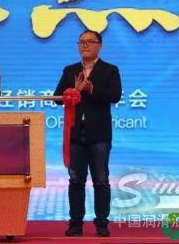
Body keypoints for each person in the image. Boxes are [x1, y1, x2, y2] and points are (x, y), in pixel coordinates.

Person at [54, 30, 121, 237]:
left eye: (90, 42)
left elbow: (115, 96)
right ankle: (75, 224)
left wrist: (92, 90)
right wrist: (73, 91)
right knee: (76, 180)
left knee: (101, 180)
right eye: (82, 42)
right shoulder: (70, 70)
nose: (85, 45)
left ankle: (102, 224)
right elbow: (57, 98)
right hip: (75, 134)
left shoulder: (110, 70)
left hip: (99, 134)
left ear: (99, 46)